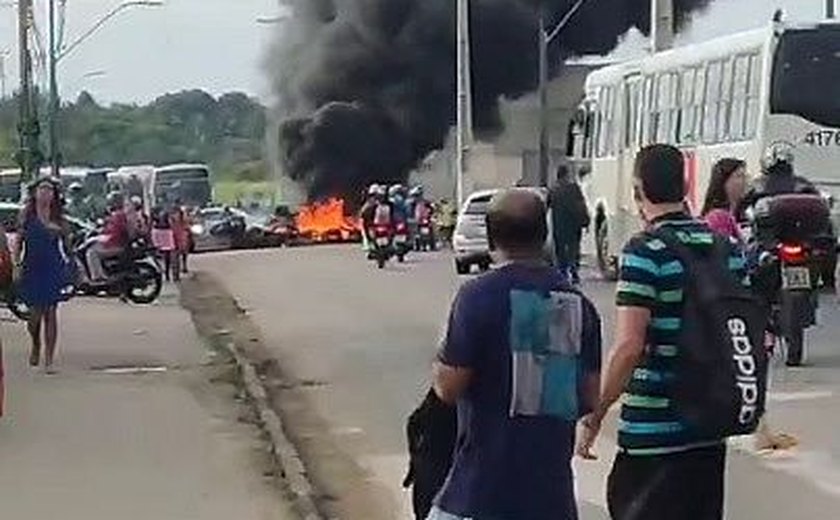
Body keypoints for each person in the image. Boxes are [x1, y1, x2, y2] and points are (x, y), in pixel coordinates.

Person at [577, 144, 750, 520]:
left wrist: (596, 414)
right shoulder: (726, 249)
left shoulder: (645, 250)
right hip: (709, 428)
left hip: (654, 436)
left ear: (638, 189)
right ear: (686, 184)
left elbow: (628, 347)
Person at [430, 188, 602, 520]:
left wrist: (440, 362)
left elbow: (448, 388)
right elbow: (589, 397)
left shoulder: (476, 297)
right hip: (551, 500)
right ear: (544, 234)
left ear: (491, 239)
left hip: (481, 496)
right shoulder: (579, 305)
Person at [16, 177, 71, 373]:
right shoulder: (26, 214)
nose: (46, 193)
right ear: (35, 192)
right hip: (32, 266)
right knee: (34, 316)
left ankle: (49, 359)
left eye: (49, 190)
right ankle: (35, 343)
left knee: (51, 312)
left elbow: (67, 243)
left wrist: (73, 266)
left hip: (52, 266)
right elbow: (19, 240)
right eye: (42, 189)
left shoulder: (58, 216)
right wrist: (16, 265)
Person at [549, 165, 590, 285]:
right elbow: (581, 205)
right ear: (566, 175)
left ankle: (563, 273)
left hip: (559, 225)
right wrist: (585, 221)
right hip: (573, 225)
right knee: (574, 248)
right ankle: (574, 271)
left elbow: (547, 206)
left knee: (560, 251)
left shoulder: (554, 189)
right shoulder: (574, 188)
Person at [86, 192, 129, 283]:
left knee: (91, 252)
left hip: (116, 244)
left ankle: (98, 277)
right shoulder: (118, 214)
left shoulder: (118, 215)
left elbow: (114, 232)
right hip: (115, 242)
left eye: (111, 201)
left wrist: (101, 233)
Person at [702, 158, 748, 241]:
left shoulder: (743, 213)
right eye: (739, 176)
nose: (745, 181)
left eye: (745, 176)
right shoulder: (717, 217)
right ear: (724, 181)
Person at [151, 206, 177, 282]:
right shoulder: (165, 221)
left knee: (163, 256)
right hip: (164, 234)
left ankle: (165, 273)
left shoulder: (156, 221)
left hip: (161, 234)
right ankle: (165, 273)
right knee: (165, 256)